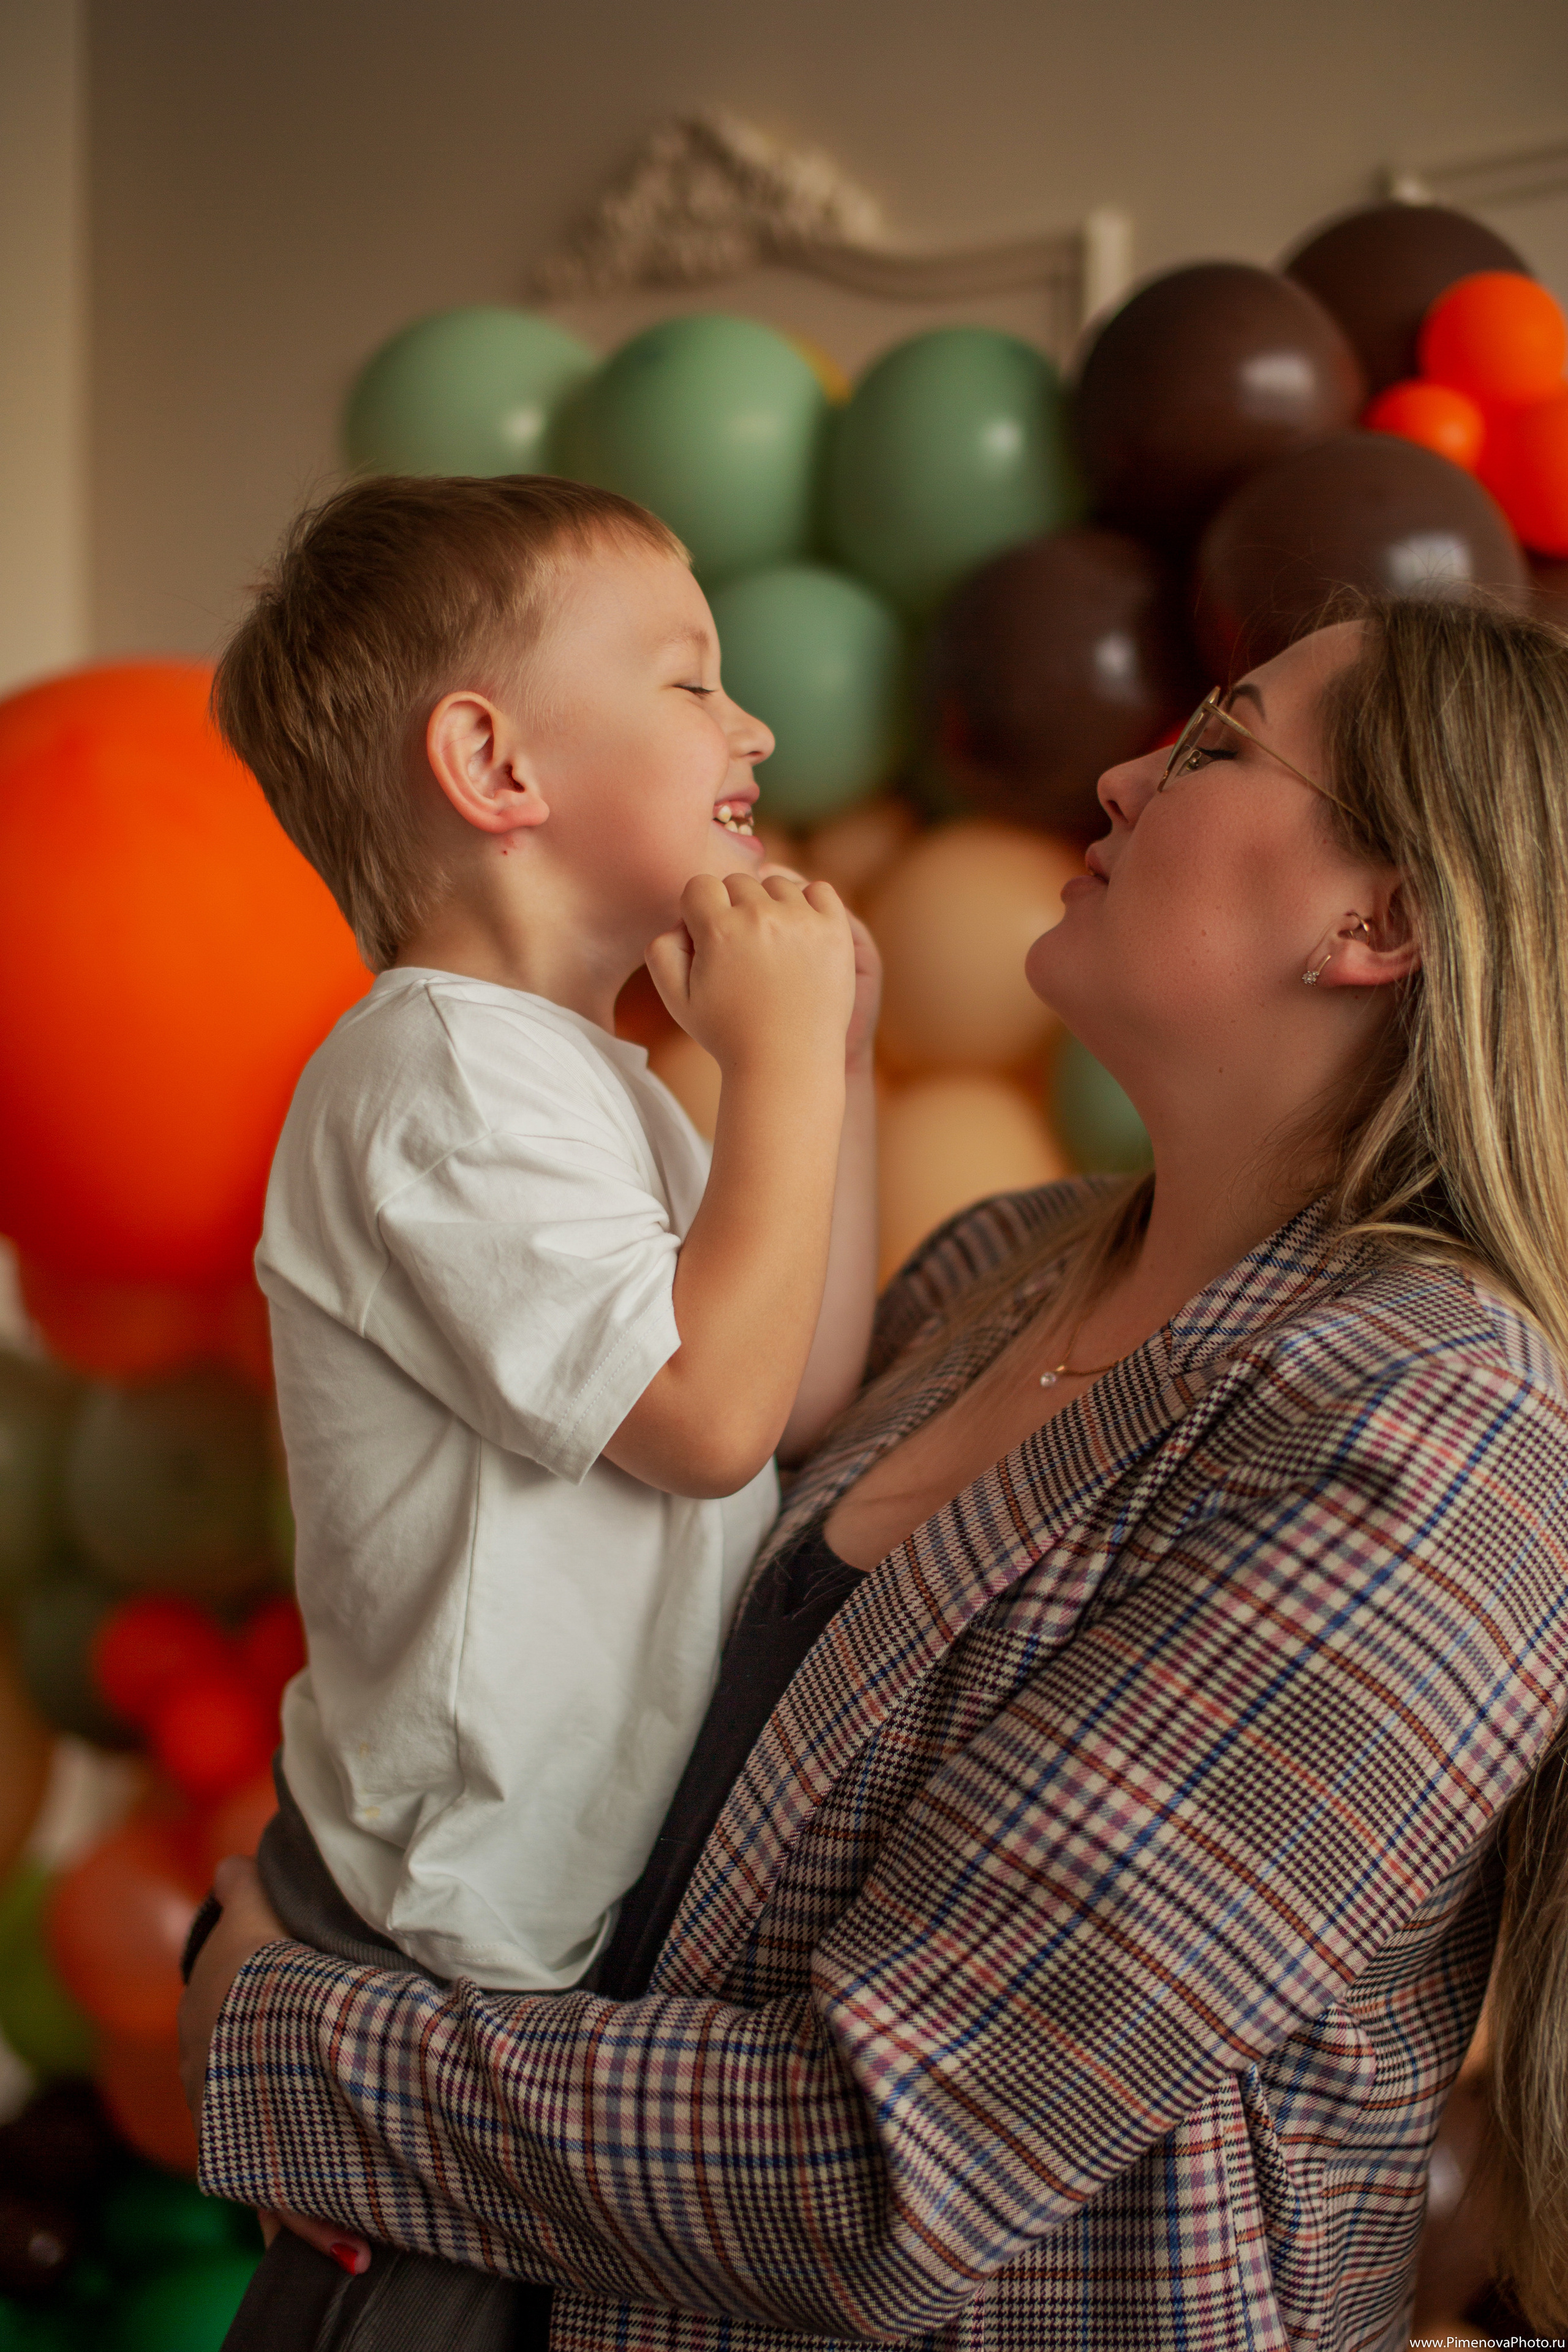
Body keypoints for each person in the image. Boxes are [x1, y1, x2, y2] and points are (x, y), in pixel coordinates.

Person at [184, 594, 1568, 2351]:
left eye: (1217, 742)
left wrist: (278, 2037)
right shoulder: (991, 1273)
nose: (1124, 773)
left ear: (1380, 921)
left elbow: (882, 2167)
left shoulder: (1430, 1432)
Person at [200, 476, 878, 2005]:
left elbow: (790, 1393)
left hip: (548, 1918)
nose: (754, 729)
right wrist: (777, 1066)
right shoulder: (437, 1081)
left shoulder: (579, 1081)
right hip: (434, 1935)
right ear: (493, 765)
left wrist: (828, 1071)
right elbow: (706, 1423)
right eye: (692, 683)